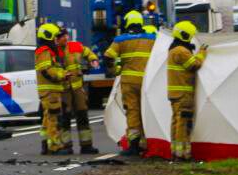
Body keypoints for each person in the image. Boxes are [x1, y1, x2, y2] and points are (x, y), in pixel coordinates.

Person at [103, 10, 157, 154]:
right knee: (147, 111)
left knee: (133, 111)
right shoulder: (153, 38)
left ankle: (134, 144)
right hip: (147, 82)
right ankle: (150, 142)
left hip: (129, 82)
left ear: (127, 23)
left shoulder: (121, 40)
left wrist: (115, 70)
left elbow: (108, 57)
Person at [166, 21, 208, 161]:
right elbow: (194, 65)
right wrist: (202, 53)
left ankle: (175, 152)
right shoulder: (181, 51)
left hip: (175, 94)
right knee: (183, 124)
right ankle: (183, 154)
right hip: (183, 94)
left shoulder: (173, 49)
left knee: (176, 122)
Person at [61, 32, 100, 155]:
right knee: (64, 118)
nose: (65, 38)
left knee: (82, 115)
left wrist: (93, 59)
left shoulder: (75, 46)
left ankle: (86, 145)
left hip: (77, 88)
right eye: (61, 36)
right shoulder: (55, 50)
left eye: (65, 35)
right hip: (64, 89)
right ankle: (65, 146)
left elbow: (88, 52)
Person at [35, 23, 67, 155]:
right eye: (54, 37)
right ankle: (54, 146)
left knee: (48, 118)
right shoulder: (45, 51)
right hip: (50, 91)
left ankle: (45, 144)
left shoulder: (48, 51)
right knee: (54, 118)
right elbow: (46, 70)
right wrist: (61, 75)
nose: (56, 40)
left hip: (51, 90)